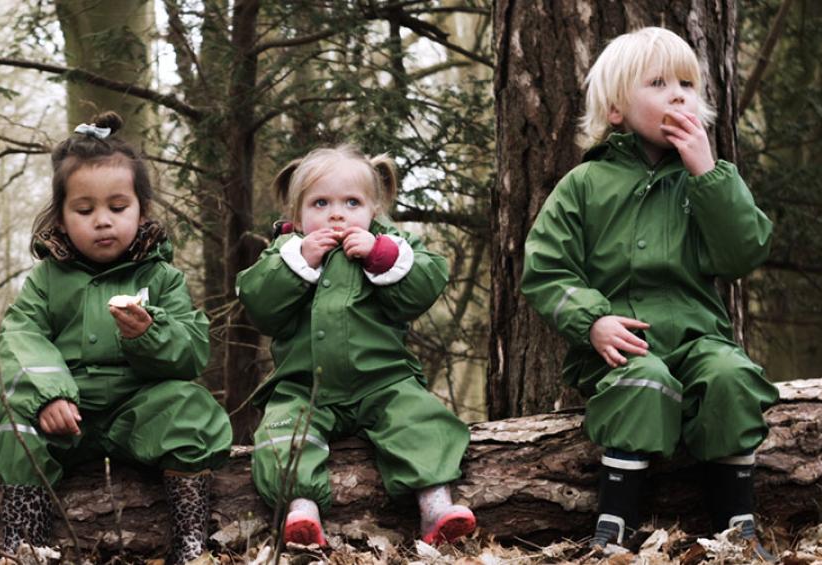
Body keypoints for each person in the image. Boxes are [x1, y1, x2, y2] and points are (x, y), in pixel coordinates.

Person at [521, 26, 778, 559]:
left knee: (731, 378)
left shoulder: (706, 179)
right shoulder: (584, 185)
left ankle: (738, 526)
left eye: (687, 82)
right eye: (658, 82)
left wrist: (708, 173)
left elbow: (742, 253)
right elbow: (546, 270)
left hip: (698, 339)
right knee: (644, 380)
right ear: (616, 110)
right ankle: (615, 526)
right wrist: (592, 321)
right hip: (623, 348)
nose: (679, 93)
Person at [0, 112, 232, 563]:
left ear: (141, 209)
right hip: (65, 417)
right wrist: (47, 397)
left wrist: (150, 334)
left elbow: (193, 352)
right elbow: (18, 338)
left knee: (190, 407)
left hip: (138, 411)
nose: (102, 221)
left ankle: (191, 547)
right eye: (85, 210)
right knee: (13, 419)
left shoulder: (162, 277)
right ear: (60, 218)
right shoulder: (46, 279)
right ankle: (26, 545)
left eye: (118, 208)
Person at [237, 144, 475, 548]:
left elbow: (426, 283)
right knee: (282, 435)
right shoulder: (286, 252)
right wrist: (299, 264)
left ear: (374, 209)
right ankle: (301, 511)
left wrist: (381, 257)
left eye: (351, 202)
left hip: (383, 380)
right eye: (320, 203)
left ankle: (435, 505)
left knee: (420, 420)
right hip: (304, 387)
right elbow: (258, 304)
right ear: (297, 214)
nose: (336, 213)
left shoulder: (390, 246)